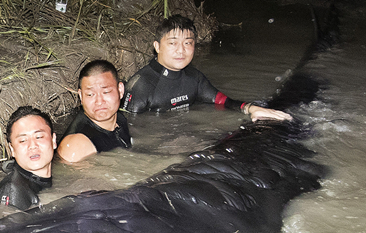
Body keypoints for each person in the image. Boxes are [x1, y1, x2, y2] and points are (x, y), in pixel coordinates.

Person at [122, 15, 291, 121]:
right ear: (157, 47)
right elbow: (133, 128)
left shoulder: (194, 77)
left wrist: (251, 108)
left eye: (188, 43)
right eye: (173, 43)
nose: (181, 50)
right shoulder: (141, 86)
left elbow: (222, 101)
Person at [57, 60, 132, 163]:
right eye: (90, 94)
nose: (99, 102)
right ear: (81, 96)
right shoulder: (77, 147)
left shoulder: (120, 119)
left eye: (106, 92)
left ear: (120, 90)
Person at [0, 106, 56, 211]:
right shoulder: (13, 191)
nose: (32, 145)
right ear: (12, 149)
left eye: (39, 137)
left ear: (53, 141)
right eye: (23, 140)